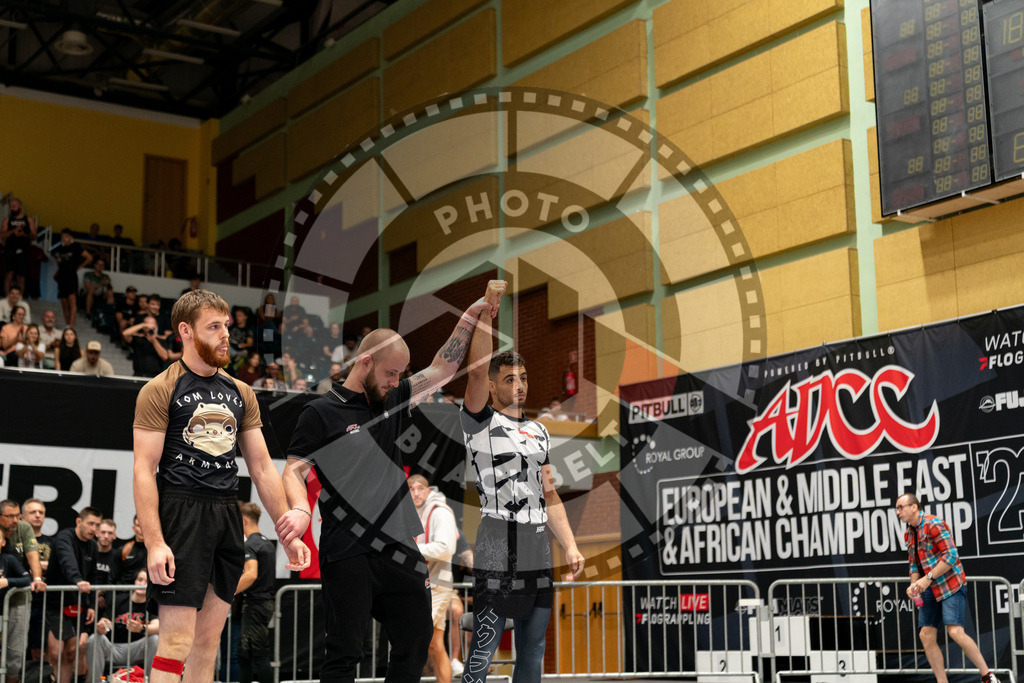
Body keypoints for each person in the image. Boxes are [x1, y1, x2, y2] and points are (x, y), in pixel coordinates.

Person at [278, 283, 503, 683]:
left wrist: (472, 314)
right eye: (390, 373)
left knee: (416, 639)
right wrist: (298, 509)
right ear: (364, 363)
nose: (395, 381)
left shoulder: (393, 400)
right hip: (347, 547)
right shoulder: (320, 413)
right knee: (346, 651)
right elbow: (293, 470)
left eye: (400, 374)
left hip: (398, 544)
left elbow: (443, 368)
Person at [132, 289, 309, 683]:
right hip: (181, 511)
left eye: (226, 326)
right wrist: (155, 542)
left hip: (227, 510)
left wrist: (287, 531)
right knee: (176, 642)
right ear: (186, 331)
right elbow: (144, 470)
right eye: (214, 327)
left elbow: (262, 468)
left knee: (207, 643)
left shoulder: (240, 392)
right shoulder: (160, 388)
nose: (225, 335)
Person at [460, 280, 584, 683]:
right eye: (510, 379)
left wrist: (570, 544)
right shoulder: (479, 423)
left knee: (533, 650)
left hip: (537, 543)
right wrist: (486, 310)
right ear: (494, 387)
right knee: (485, 644)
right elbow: (476, 370)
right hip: (498, 538)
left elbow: (549, 494)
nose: (520, 385)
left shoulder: (540, 433)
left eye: (524, 378)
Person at [898, 493, 999, 683]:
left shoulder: (933, 523)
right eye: (897, 508)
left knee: (955, 631)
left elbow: (952, 556)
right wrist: (914, 584)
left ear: (914, 507)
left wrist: (927, 578)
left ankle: (988, 676)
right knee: (926, 635)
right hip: (928, 587)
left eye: (900, 507)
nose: (898, 512)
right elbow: (913, 564)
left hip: (950, 585)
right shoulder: (909, 533)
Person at [408, 475, 457, 683]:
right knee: (435, 644)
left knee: (419, 639)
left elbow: (447, 548)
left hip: (437, 584)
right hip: (422, 583)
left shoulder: (439, 511)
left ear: (428, 491)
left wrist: (409, 550)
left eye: (420, 488)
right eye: (411, 489)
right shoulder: (414, 513)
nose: (416, 493)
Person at [45, 507, 101, 683]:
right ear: (79, 521)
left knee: (71, 653)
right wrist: (77, 580)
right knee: (55, 653)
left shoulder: (92, 546)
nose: (94, 529)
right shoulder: (64, 537)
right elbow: (67, 560)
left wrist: (91, 604)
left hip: (78, 604)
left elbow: (93, 578)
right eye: (91, 523)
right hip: (56, 603)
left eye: (97, 525)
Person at [0, 500, 47, 683]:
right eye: (9, 516)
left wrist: (37, 578)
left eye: (17, 515)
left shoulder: (24, 527)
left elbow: (32, 553)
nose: (15, 520)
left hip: (18, 595)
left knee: (15, 652)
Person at [86, 568, 159, 683]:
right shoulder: (119, 599)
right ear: (134, 581)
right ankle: (96, 681)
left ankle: (151, 681)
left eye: (146, 581)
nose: (142, 584)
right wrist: (101, 627)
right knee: (94, 639)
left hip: (137, 649)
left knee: (155, 639)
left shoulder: (152, 604)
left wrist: (141, 628)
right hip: (114, 648)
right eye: (140, 580)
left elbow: (157, 626)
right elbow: (106, 621)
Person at [235, 502, 275, 683]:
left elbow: (251, 575)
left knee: (256, 654)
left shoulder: (250, 545)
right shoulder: (267, 544)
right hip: (264, 604)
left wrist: (229, 592)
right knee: (246, 652)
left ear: (243, 520)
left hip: (255, 606)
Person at [51, 229, 92, 329]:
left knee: (72, 300)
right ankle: (67, 324)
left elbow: (89, 257)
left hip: (71, 276)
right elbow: (57, 260)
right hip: (62, 276)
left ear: (70, 237)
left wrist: (79, 266)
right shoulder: (59, 249)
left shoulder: (76, 247)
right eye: (63, 237)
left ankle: (72, 325)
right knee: (64, 302)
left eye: (66, 236)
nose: (64, 239)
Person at [1, 198, 38, 296]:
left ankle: (19, 298)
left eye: (14, 206)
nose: (11, 208)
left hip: (23, 251)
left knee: (21, 277)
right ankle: (7, 298)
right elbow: (2, 235)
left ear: (20, 206)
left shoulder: (28, 219)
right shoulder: (7, 220)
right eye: (10, 207)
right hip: (10, 250)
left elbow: (34, 236)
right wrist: (13, 231)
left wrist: (23, 234)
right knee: (9, 275)